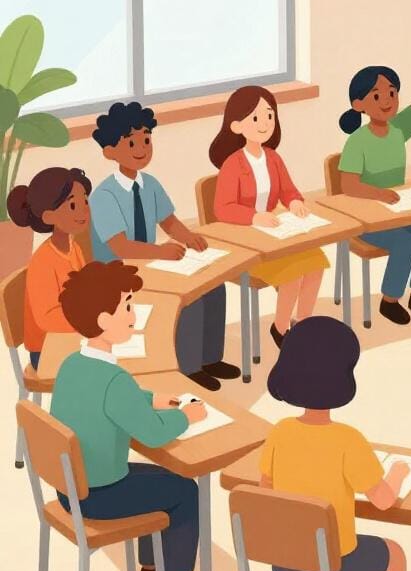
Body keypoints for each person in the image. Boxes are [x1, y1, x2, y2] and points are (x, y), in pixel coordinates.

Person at [49, 260, 212, 571]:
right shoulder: (115, 380)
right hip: (99, 493)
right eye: (127, 306)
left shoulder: (71, 365)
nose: (134, 315)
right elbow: (153, 434)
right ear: (103, 320)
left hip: (70, 487)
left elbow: (105, 399)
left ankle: (152, 570)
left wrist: (151, 398)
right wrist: (187, 416)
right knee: (184, 490)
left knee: (155, 479)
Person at [259, 316, 410, 571]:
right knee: (391, 555)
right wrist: (398, 473)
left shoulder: (279, 433)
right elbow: (384, 500)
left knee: (347, 548)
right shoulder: (347, 440)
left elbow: (266, 490)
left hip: (287, 568)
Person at [90, 101, 239, 391]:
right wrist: (161, 253)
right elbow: (120, 247)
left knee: (213, 284)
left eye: (146, 139)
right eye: (131, 141)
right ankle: (189, 367)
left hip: (149, 261)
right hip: (116, 272)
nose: (141, 147)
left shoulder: (151, 184)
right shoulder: (104, 195)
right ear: (110, 151)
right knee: (189, 294)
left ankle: (210, 358)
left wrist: (189, 238)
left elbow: (169, 222)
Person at [337, 28, 411, 326]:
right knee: (405, 243)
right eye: (377, 95)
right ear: (359, 105)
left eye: (392, 93)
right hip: (368, 217)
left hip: (399, 209)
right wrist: (379, 194)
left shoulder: (397, 129)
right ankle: (390, 300)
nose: (386, 100)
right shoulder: (357, 141)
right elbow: (348, 185)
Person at [210, 85, 327, 348]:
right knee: (293, 272)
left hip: (275, 234)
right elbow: (223, 208)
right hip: (248, 242)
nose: (265, 123)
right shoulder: (233, 164)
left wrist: (295, 202)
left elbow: (288, 189)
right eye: (256, 118)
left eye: (269, 115)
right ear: (237, 126)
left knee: (316, 262)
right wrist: (254, 217)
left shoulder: (273, 158)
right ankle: (280, 328)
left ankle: (304, 323)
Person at [7, 167, 92, 371]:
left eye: (85, 201)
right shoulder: (42, 262)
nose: (83, 210)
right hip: (47, 349)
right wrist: (92, 325)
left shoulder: (74, 247)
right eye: (73, 205)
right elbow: (48, 319)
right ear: (48, 217)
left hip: (73, 336)